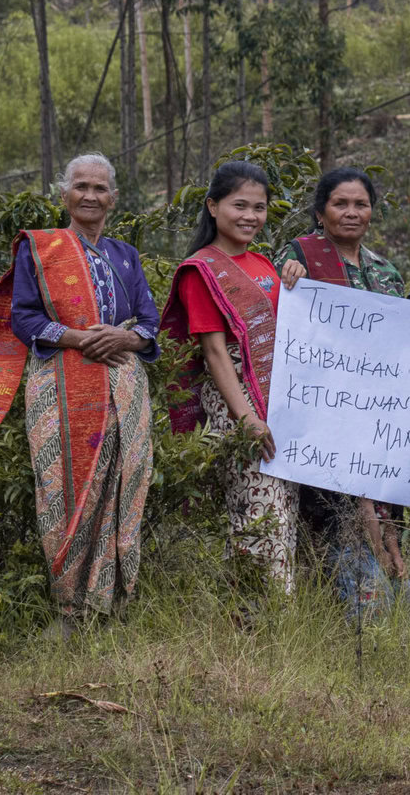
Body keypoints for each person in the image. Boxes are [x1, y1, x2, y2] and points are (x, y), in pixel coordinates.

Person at [0, 153, 161, 627]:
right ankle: (68, 610)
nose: (90, 195)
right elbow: (23, 317)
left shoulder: (126, 255)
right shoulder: (40, 249)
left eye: (100, 188)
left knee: (124, 484)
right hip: (61, 383)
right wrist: (81, 338)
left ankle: (113, 607)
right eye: (80, 186)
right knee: (61, 488)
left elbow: (150, 322)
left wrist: (124, 337)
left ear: (114, 198)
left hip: (124, 385)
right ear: (63, 193)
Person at [161, 160, 307, 594]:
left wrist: (295, 279)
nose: (250, 216)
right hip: (236, 403)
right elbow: (214, 352)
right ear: (212, 207)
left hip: (280, 400)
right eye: (239, 205)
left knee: (283, 509)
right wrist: (245, 417)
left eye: (259, 208)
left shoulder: (263, 263)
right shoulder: (201, 269)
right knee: (256, 511)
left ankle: (275, 617)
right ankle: (251, 618)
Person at [275, 167, 408, 622]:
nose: (352, 212)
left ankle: (389, 601)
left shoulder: (386, 272)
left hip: (378, 415)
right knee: (337, 513)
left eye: (361, 204)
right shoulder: (300, 258)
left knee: (384, 512)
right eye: (340, 204)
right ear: (320, 212)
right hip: (323, 416)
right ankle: (355, 614)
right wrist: (287, 277)